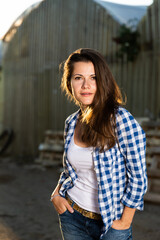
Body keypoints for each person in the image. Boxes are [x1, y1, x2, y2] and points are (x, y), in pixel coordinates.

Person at [50, 48, 147, 240]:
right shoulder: (71, 122)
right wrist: (56, 195)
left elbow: (138, 178)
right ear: (70, 83)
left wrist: (123, 223)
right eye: (78, 77)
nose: (86, 85)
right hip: (72, 216)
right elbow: (71, 171)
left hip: (111, 222)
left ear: (103, 81)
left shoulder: (120, 119)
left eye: (93, 77)